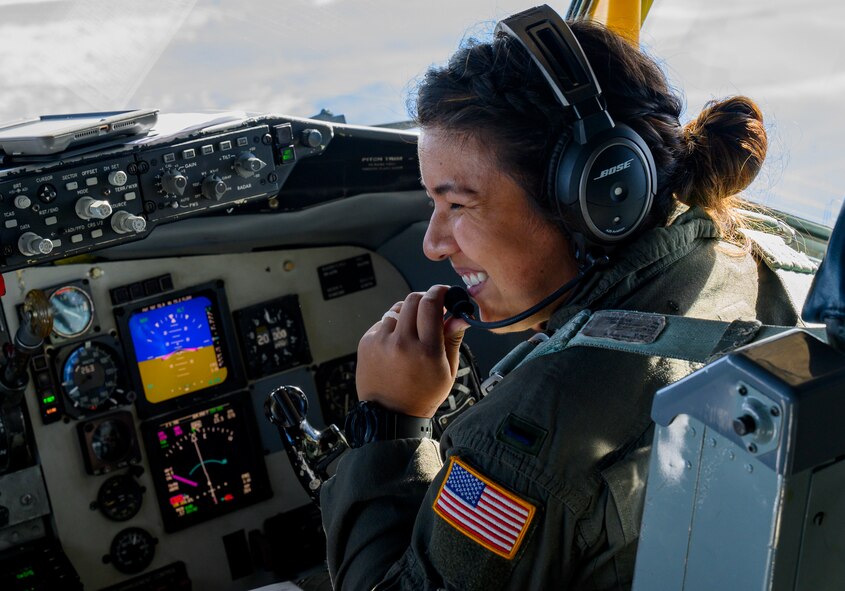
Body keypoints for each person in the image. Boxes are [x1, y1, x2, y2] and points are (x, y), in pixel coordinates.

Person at [320, 8, 799, 591]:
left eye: (458, 205)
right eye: (431, 204)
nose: (434, 243)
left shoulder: (520, 451)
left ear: (597, 200)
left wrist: (390, 422)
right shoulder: (734, 258)